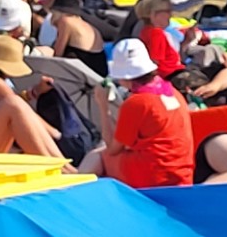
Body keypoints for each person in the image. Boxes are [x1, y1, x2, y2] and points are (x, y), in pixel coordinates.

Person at [78, 39, 193, 188]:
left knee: (97, 155)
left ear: (125, 78)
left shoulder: (136, 103)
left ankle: (72, 193)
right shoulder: (173, 92)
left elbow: (113, 148)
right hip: (181, 174)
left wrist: (103, 106)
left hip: (153, 177)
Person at [0, 35, 66, 159]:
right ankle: (58, 163)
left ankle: (62, 164)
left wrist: (35, 91)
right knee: (13, 105)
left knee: (15, 106)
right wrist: (55, 134)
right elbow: (18, 107)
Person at [48, 0, 107, 78]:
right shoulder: (80, 22)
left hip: (87, 66)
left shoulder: (65, 21)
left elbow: (58, 53)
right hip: (100, 65)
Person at [133, 0, 183, 80]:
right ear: (153, 14)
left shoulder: (145, 30)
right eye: (167, 11)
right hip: (170, 76)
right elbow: (155, 63)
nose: (170, 15)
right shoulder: (156, 34)